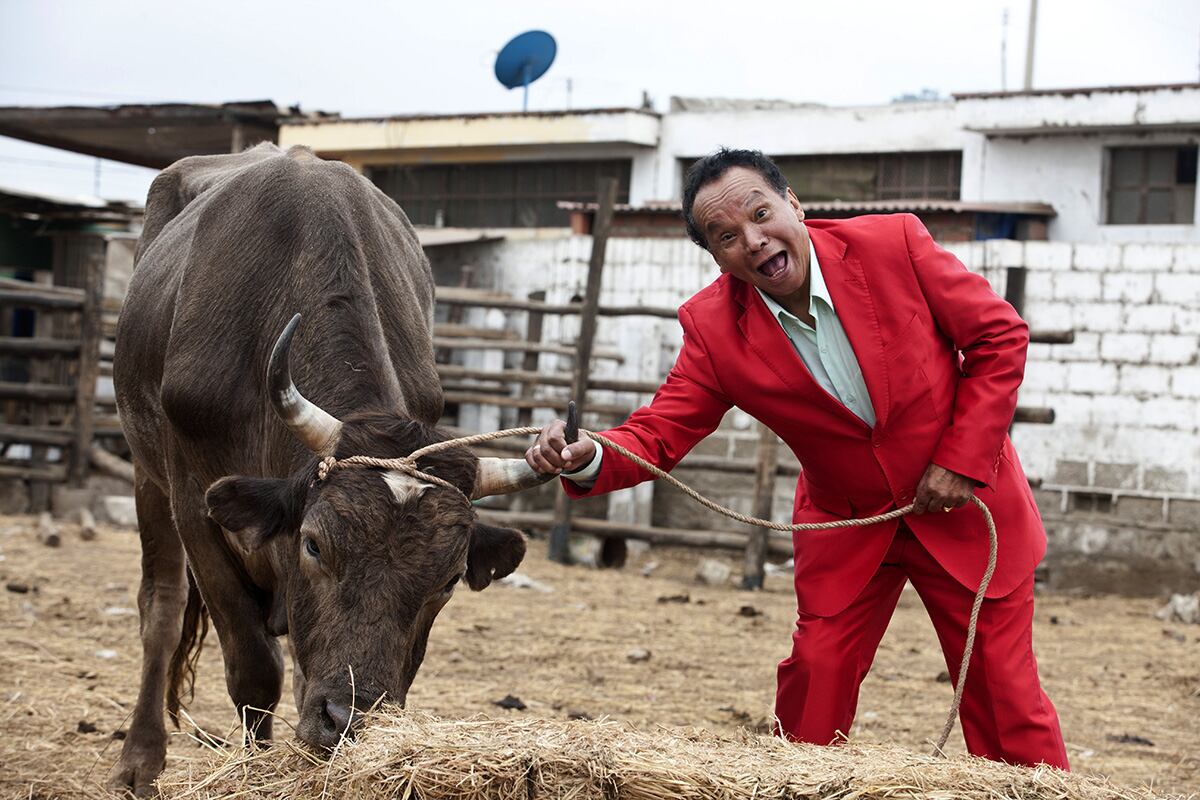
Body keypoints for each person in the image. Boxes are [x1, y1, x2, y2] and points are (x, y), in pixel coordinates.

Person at [525, 148, 1069, 769]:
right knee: (814, 682)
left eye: (761, 214)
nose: (753, 241)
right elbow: (659, 433)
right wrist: (587, 452)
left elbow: (998, 335)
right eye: (727, 236)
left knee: (1005, 699)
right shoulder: (713, 328)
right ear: (715, 257)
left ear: (794, 204)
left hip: (966, 505)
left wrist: (962, 461)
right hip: (847, 524)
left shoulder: (895, 244)